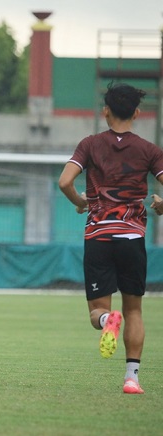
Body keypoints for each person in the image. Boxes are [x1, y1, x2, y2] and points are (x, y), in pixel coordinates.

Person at [59, 82, 163, 395]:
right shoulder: (149, 150)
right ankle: (132, 379)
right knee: (134, 310)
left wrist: (80, 202)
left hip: (99, 236)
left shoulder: (89, 144)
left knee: (96, 313)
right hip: (132, 238)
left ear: (105, 111)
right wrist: (160, 204)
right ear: (137, 113)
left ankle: (107, 319)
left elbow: (64, 181)